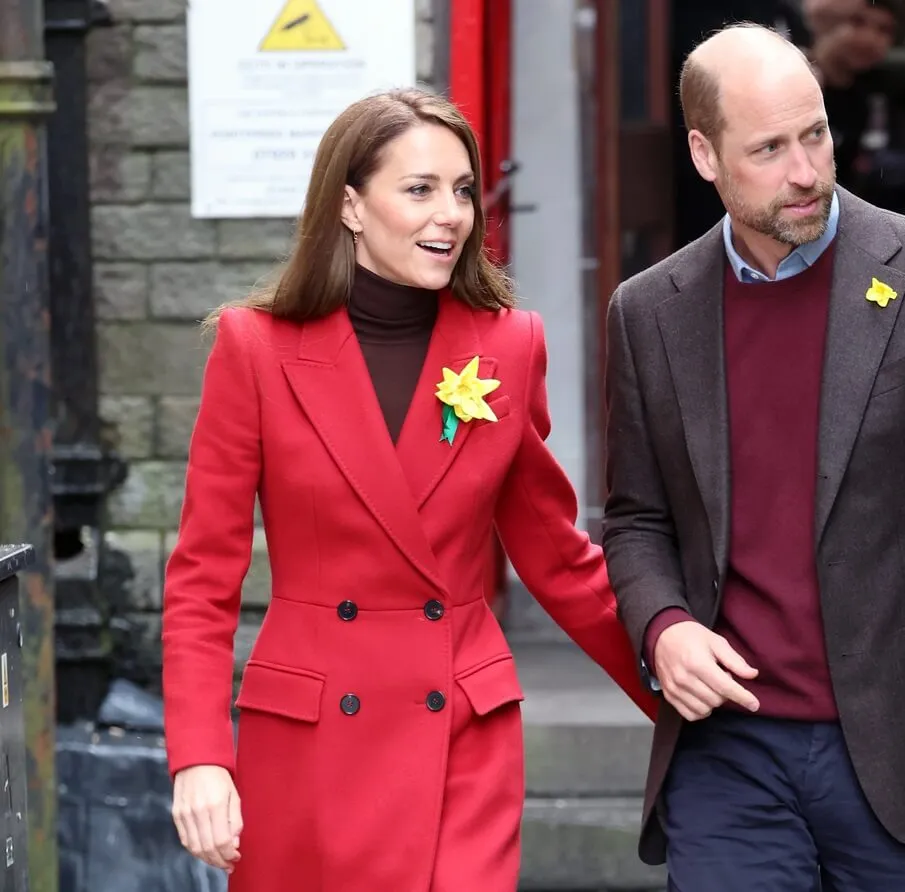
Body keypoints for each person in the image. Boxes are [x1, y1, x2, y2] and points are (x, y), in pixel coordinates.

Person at [162, 87, 657, 892]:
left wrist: (675, 687)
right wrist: (199, 758)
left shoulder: (508, 344)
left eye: (462, 190)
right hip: (311, 738)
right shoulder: (254, 349)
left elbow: (558, 559)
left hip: (461, 731)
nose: (452, 214)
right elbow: (201, 583)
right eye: (420, 189)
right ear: (351, 205)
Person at [602, 23, 905, 891]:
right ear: (705, 154)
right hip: (727, 756)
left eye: (815, 134)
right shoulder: (648, 311)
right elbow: (637, 519)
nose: (805, 170)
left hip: (904, 751)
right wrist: (663, 626)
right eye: (768, 148)